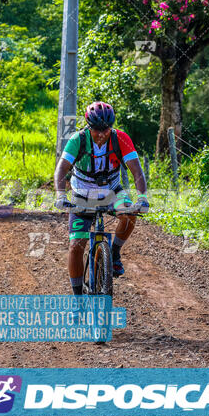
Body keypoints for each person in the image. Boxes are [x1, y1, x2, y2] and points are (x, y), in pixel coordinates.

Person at [54, 101, 149, 295]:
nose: (101, 134)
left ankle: (114, 253)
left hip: (112, 191)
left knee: (130, 213)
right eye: (97, 129)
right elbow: (61, 169)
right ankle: (78, 298)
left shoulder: (120, 139)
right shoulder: (77, 140)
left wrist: (142, 197)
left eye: (106, 129)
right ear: (89, 127)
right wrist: (60, 195)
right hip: (82, 195)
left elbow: (137, 171)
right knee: (75, 245)